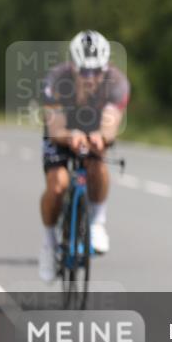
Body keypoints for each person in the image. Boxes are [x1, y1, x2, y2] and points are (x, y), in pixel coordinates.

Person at [38, 30, 130, 281]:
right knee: (57, 186)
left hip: (93, 126)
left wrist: (101, 137)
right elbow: (55, 127)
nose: (91, 78)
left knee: (98, 163)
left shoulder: (117, 82)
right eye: (84, 72)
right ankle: (48, 244)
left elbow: (111, 122)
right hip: (62, 129)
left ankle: (97, 222)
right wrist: (70, 137)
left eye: (97, 71)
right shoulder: (56, 80)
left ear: (106, 67)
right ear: (73, 67)